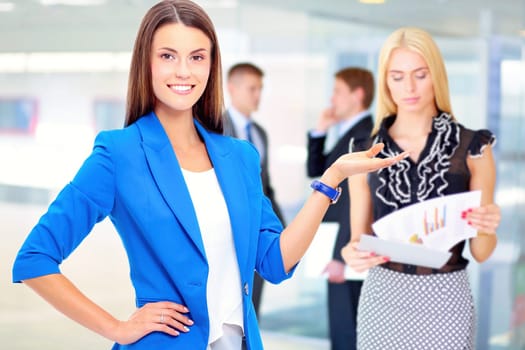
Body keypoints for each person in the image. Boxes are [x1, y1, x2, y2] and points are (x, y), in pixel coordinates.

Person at [11, 1, 407, 349]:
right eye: (167, 56)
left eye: (197, 57)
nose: (183, 71)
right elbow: (34, 260)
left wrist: (331, 179)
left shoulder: (239, 157)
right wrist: (117, 328)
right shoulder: (119, 153)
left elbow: (274, 261)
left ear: (211, 65)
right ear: (146, 62)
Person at [341, 27, 501, 349]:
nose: (409, 88)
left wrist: (487, 226)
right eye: (397, 77)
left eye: (420, 75)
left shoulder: (473, 147)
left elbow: (481, 253)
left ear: (436, 76)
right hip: (382, 297)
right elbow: (357, 240)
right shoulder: (364, 150)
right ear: (386, 81)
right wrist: (351, 254)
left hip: (446, 298)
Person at [306, 67, 374, 350]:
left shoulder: (364, 135)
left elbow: (354, 200)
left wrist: (340, 257)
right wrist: (320, 131)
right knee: (342, 325)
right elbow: (316, 171)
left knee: (348, 328)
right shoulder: (347, 132)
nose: (332, 99)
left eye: (337, 92)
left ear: (357, 95)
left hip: (346, 250)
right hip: (336, 245)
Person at [223, 62, 284, 319]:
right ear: (232, 89)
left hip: (257, 233)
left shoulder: (260, 133)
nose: (257, 95)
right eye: (251, 89)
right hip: (226, 233)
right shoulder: (213, 129)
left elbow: (266, 188)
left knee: (251, 308)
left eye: (260, 89)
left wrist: (281, 227)